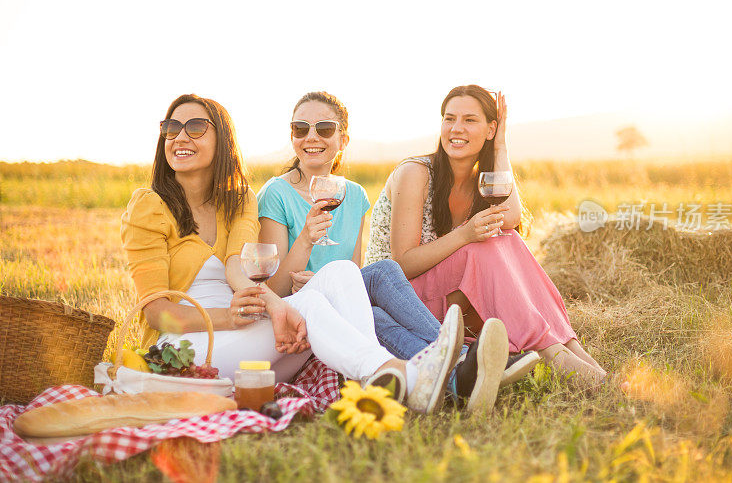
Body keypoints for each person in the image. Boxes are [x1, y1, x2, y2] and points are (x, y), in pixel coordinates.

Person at [120, 93, 462, 414]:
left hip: (246, 337)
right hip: (182, 351)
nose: (180, 137)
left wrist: (271, 305)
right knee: (312, 305)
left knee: (342, 271)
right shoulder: (150, 206)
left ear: (221, 140)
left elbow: (236, 265)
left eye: (195, 127)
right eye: (171, 128)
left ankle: (378, 380)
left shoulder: (238, 200)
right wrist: (233, 316)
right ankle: (406, 376)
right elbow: (156, 313)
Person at [256, 91, 536, 412]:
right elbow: (272, 288)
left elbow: (350, 275)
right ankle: (460, 365)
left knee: (383, 276)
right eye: (300, 129)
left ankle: (454, 367)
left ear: (343, 139)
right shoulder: (276, 193)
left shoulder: (355, 195)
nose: (311, 137)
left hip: (338, 300)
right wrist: (306, 240)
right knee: (375, 317)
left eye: (324, 128)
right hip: (298, 308)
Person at [364, 85, 607, 385]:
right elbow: (402, 264)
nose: (456, 128)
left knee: (507, 239)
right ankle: (553, 355)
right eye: (449, 118)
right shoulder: (416, 173)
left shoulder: (480, 180)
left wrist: (501, 146)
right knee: (482, 246)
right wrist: (465, 234)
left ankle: (574, 352)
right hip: (397, 301)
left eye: (469, 120)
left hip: (445, 294)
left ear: (490, 129)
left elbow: (512, 218)